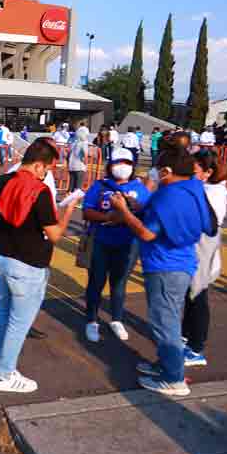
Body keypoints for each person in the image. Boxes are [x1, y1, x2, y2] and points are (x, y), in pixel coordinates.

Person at [109, 147, 216, 396]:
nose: (154, 173)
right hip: (183, 262)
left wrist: (125, 212)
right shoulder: (194, 188)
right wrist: (138, 207)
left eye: (158, 169)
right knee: (168, 318)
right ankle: (166, 364)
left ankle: (173, 378)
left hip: (165, 265)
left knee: (164, 322)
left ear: (167, 171)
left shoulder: (168, 196)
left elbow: (147, 233)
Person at [0, 140, 82, 393]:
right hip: (29, 264)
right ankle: (6, 375)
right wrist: (69, 211)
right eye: (46, 169)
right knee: (19, 323)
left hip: (2, 257)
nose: (46, 173)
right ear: (38, 165)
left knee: (3, 313)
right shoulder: (40, 191)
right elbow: (55, 234)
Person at [82, 147, 150, 343]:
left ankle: (117, 319)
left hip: (128, 244)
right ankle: (91, 320)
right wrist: (107, 217)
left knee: (119, 282)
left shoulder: (139, 188)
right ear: (110, 165)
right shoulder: (100, 186)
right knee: (96, 281)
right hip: (101, 241)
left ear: (133, 166)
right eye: (118, 162)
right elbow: (87, 212)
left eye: (127, 163)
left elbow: (148, 214)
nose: (122, 167)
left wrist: (135, 209)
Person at [181, 149, 227, 367]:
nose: (191, 172)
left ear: (208, 172)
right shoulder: (204, 188)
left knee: (198, 296)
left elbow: (207, 223)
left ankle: (196, 348)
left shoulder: (213, 192)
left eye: (195, 168)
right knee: (190, 295)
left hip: (202, 248)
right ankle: (186, 335)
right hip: (196, 247)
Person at [67, 126, 89, 195]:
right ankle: (76, 201)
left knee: (71, 185)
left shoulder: (74, 142)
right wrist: (86, 164)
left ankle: (68, 198)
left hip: (71, 165)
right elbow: (85, 154)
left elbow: (68, 154)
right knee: (78, 186)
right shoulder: (84, 143)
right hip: (80, 166)